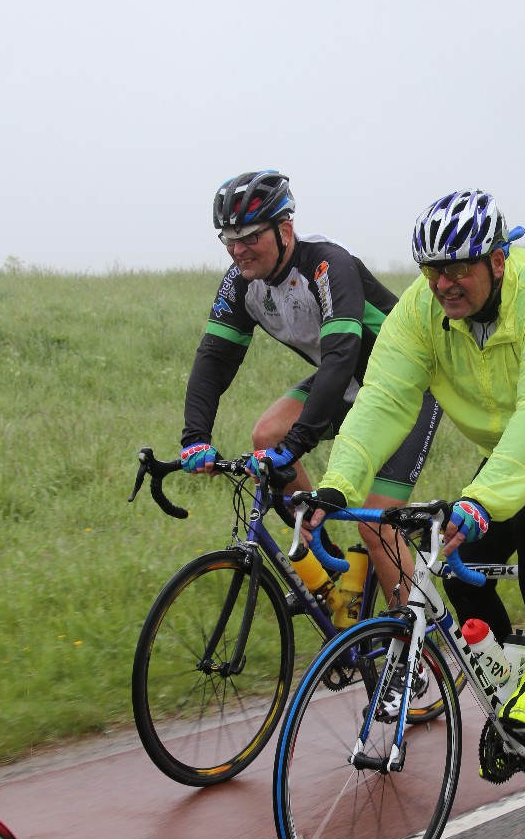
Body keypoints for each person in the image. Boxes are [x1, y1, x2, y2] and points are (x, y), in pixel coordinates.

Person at [302, 187, 525, 733]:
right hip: (514, 452)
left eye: (458, 269)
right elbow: (383, 400)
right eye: (432, 271)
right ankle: (512, 678)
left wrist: (482, 500)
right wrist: (338, 484)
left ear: (497, 261)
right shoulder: (422, 310)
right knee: (458, 565)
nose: (443, 284)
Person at [180, 169, 441, 604]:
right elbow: (214, 360)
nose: (238, 250)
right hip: (346, 382)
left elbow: (340, 356)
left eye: (250, 237)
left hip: (406, 389)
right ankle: (328, 572)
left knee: (376, 524)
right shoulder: (242, 282)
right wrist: (195, 437)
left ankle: (412, 638)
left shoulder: (327, 265)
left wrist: (298, 442)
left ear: (285, 230)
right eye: (229, 239)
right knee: (267, 435)